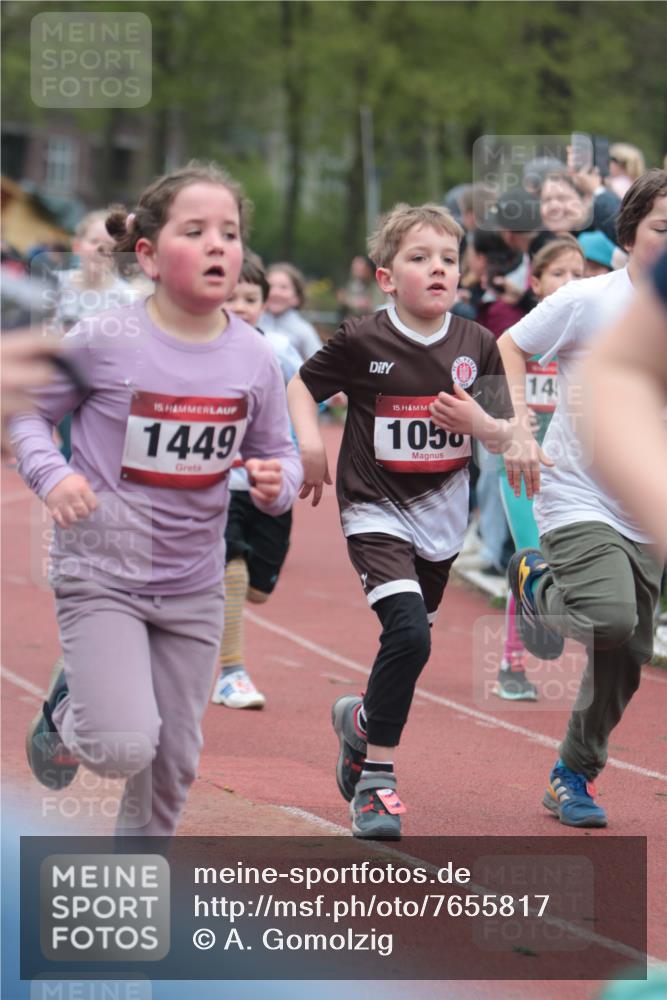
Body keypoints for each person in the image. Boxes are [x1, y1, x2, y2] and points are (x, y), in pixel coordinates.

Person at [11, 161, 302, 837]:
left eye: (228, 233)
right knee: (120, 745)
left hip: (192, 585)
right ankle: (65, 713)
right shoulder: (104, 339)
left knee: (171, 764)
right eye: (195, 230)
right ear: (146, 253)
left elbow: (279, 451)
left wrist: (275, 483)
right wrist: (55, 478)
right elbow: (26, 415)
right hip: (101, 575)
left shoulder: (254, 357)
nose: (217, 246)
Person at [287, 203, 515, 839]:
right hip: (374, 509)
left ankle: (359, 722)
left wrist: (483, 426)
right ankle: (376, 782)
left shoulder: (478, 344)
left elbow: (504, 434)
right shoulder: (363, 339)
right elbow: (301, 388)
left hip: (443, 521)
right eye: (419, 258)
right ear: (388, 277)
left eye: (447, 258)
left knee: (410, 646)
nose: (437, 269)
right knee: (409, 634)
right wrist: (309, 445)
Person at [497, 169, 667, 828]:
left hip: (645, 504)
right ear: (627, 233)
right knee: (608, 615)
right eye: (661, 229)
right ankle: (532, 578)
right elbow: (510, 346)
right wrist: (516, 426)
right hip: (575, 491)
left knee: (625, 651)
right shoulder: (589, 300)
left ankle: (572, 773)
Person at [211, 251, 302, 709]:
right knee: (232, 568)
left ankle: (212, 606)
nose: (241, 306)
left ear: (265, 304)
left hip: (270, 482)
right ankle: (231, 672)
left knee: (258, 590)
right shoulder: (204, 347)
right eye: (231, 297)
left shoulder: (278, 350)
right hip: (219, 483)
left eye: (250, 298)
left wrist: (312, 449)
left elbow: (306, 398)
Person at [496, 236, 585, 700]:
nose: (570, 282)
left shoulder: (587, 337)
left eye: (577, 273)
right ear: (536, 283)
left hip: (571, 472)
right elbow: (485, 404)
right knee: (531, 558)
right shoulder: (517, 337)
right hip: (520, 469)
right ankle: (511, 664)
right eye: (559, 274)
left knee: (568, 563)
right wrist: (514, 419)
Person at [581, 248, 667, 558]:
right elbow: (616, 372)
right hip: (578, 492)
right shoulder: (586, 296)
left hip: (631, 519)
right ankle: (538, 585)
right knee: (609, 606)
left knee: (635, 604)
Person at [51, 210, 138, 460]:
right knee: (69, 444)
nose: (101, 250)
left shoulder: (126, 296)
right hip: (61, 379)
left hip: (101, 385)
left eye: (110, 246)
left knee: (87, 448)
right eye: (94, 242)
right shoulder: (57, 284)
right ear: (77, 246)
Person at [260, 262, 322, 361]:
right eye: (270, 286)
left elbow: (320, 363)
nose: (275, 292)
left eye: (283, 287)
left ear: (296, 297)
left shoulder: (303, 330)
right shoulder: (254, 323)